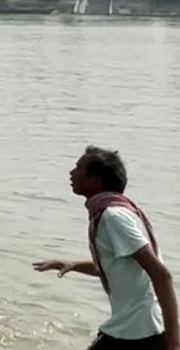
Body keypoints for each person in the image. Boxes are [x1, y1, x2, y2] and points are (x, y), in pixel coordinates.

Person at [34, 146, 178, 350]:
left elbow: (162, 275)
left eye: (78, 168)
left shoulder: (113, 217)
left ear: (96, 181)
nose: (71, 172)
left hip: (137, 332)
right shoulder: (114, 211)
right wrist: (72, 264)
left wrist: (173, 344)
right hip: (136, 329)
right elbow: (119, 268)